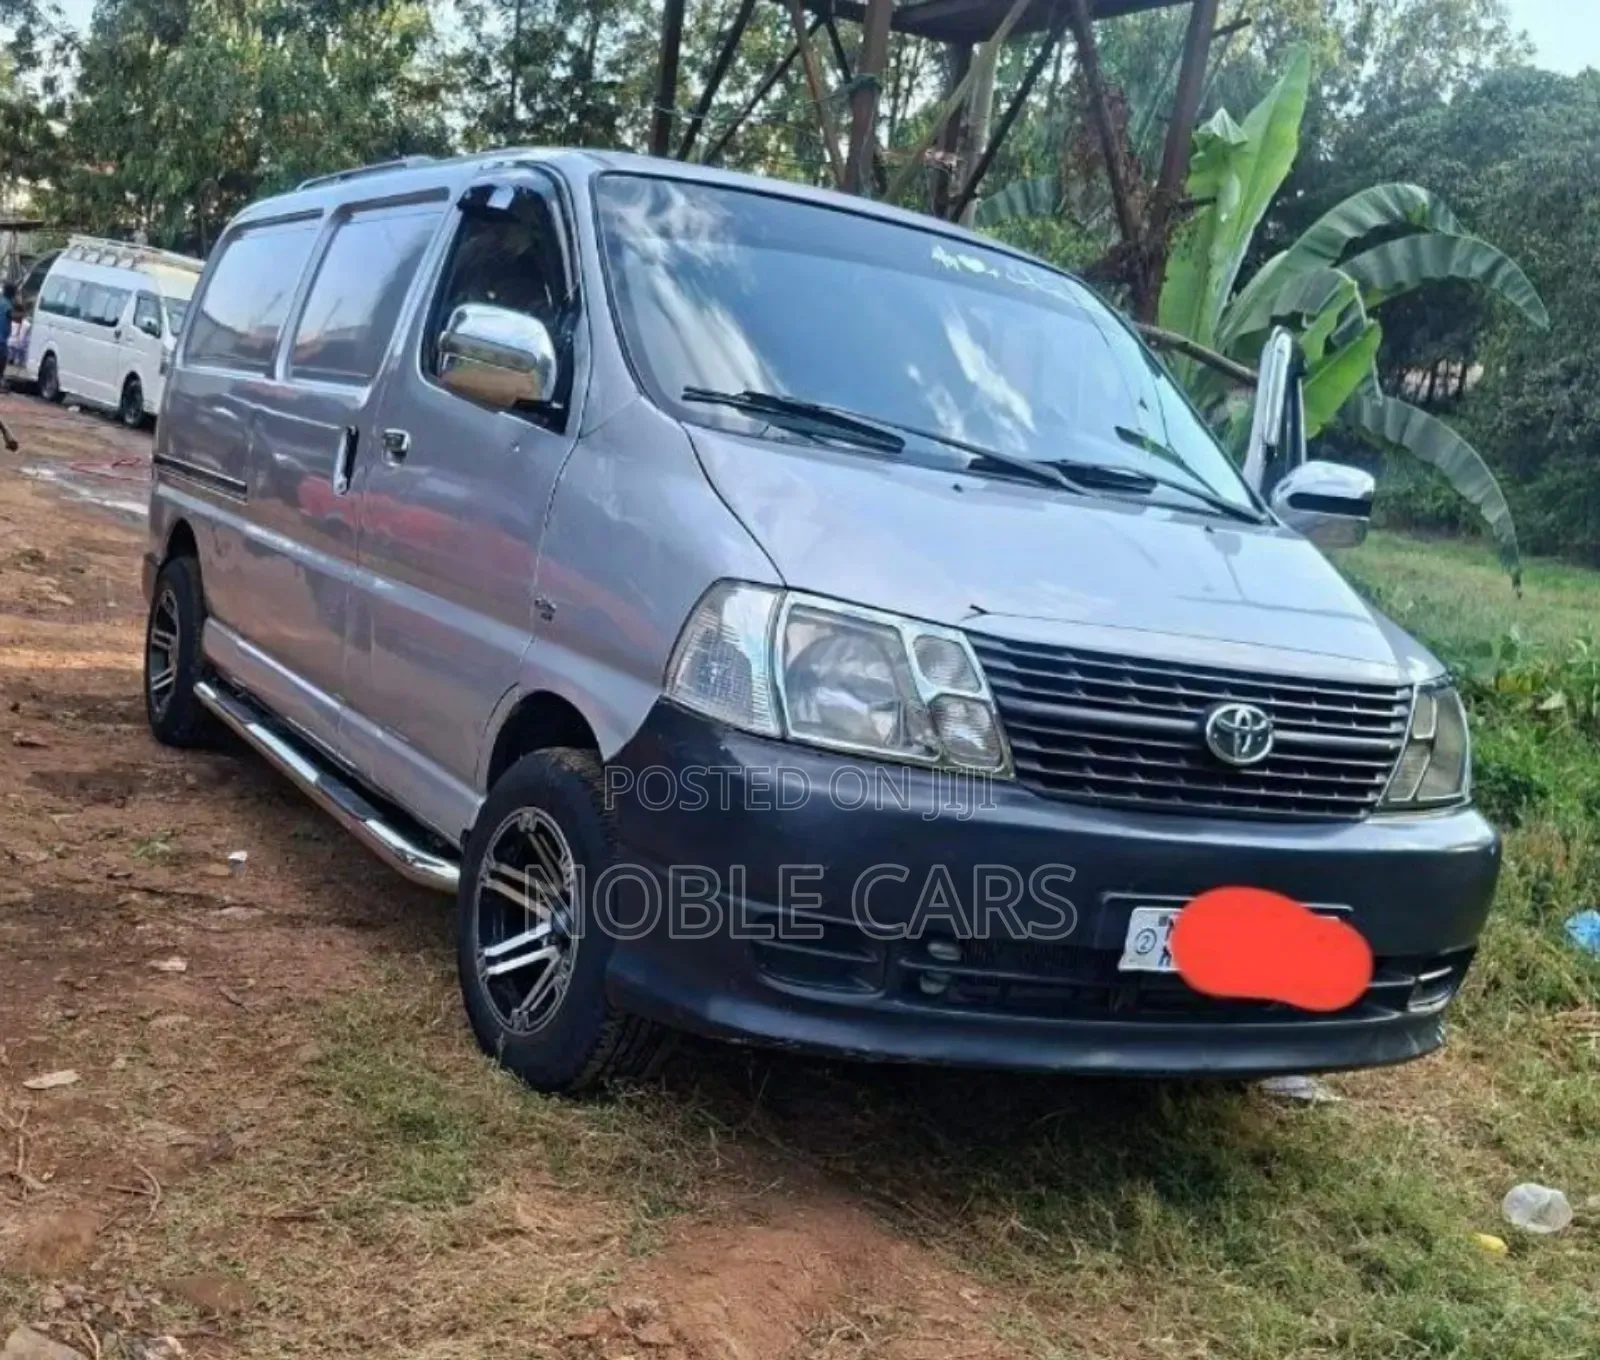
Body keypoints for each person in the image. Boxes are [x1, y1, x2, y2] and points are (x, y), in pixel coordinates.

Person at [0, 283, 15, 391]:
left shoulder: (2, 301)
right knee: (3, 359)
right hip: (1, 338)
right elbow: (14, 316)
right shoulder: (7, 304)